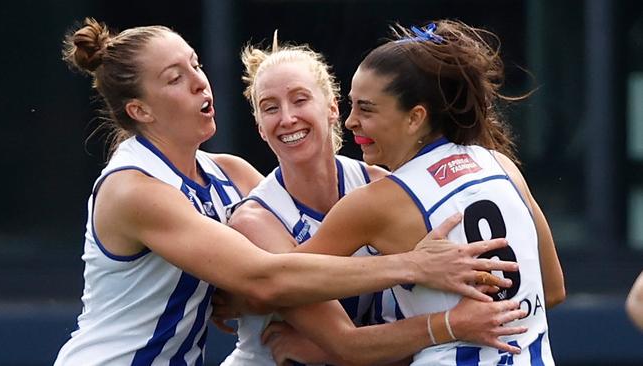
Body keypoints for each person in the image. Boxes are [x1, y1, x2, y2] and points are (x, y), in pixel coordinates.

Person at [54, 18, 517, 366]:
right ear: (140, 110)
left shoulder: (229, 173)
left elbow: (289, 266)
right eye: (175, 78)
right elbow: (267, 275)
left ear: (333, 107)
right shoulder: (134, 189)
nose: (200, 80)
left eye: (195, 64)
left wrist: (257, 299)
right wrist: (412, 267)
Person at [260, 20, 566, 365]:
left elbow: (281, 285)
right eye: (352, 105)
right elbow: (553, 289)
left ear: (414, 118)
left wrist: (237, 300)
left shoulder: (378, 201)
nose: (350, 121)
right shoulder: (501, 164)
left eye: (366, 109)